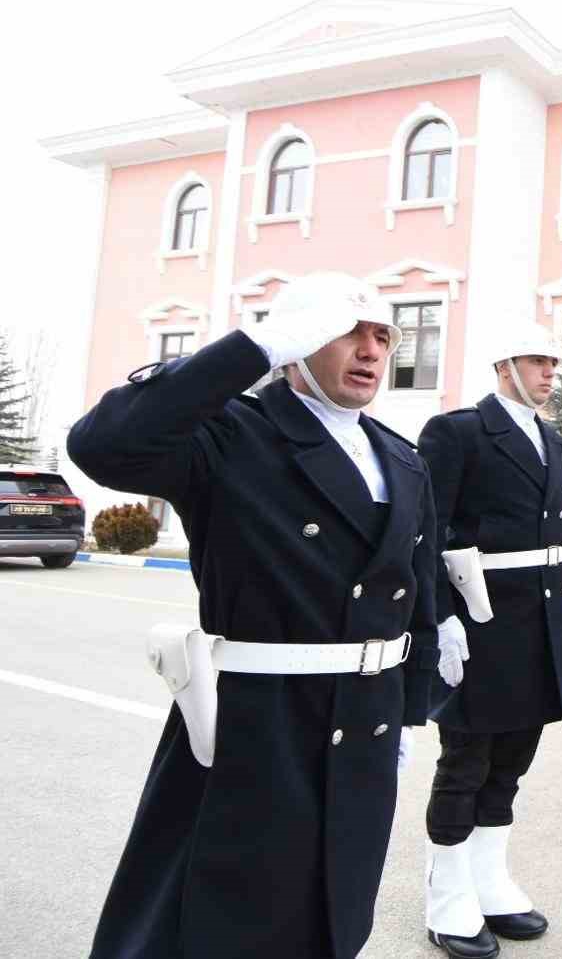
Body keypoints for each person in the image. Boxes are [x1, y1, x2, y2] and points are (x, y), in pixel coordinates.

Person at [71, 272, 439, 959]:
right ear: (295, 344)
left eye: (382, 336)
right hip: (258, 717)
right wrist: (254, 349)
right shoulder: (232, 434)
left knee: (334, 907)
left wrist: (410, 711)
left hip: (367, 714)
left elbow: (415, 593)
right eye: (346, 332)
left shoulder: (400, 456)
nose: (370, 350)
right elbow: (103, 446)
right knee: (228, 912)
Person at [417, 317, 562, 955]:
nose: (549, 373)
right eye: (537, 362)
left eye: (553, 364)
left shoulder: (552, 440)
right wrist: (440, 616)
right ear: (505, 367)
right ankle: (447, 894)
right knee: (466, 762)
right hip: (479, 624)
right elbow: (426, 531)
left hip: (538, 623)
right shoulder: (458, 432)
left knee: (512, 760)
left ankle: (488, 878)